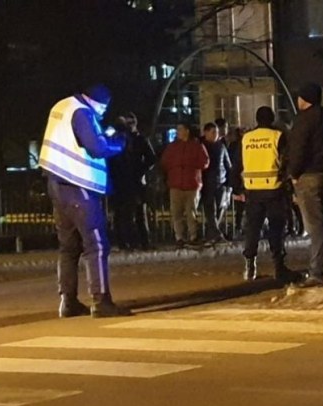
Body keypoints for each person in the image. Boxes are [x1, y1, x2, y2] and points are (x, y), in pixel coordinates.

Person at [40, 84, 131, 318]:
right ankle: (101, 301)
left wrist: (105, 132)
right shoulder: (82, 112)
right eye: (103, 108)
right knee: (96, 244)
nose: (102, 112)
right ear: (96, 102)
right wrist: (120, 143)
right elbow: (97, 148)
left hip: (57, 184)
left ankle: (67, 302)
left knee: (68, 247)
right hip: (78, 186)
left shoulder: (63, 105)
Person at [232, 106, 298, 282]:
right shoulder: (277, 136)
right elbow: (286, 161)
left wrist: (235, 187)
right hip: (274, 189)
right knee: (276, 228)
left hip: (253, 190)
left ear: (256, 119)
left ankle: (249, 268)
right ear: (272, 119)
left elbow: (238, 163)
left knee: (253, 229)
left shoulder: (246, 138)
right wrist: (289, 183)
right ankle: (278, 266)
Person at [288, 83, 323, 286]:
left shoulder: (303, 120)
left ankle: (316, 271)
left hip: (308, 176)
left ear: (305, 98)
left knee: (314, 225)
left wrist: (294, 173)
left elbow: (298, 148)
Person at [109, 112, 156, 250]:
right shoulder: (119, 139)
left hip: (134, 181)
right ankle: (124, 242)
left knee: (138, 212)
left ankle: (142, 241)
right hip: (121, 181)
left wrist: (139, 170)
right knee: (121, 213)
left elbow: (151, 158)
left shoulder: (140, 139)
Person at [160, 122, 209, 248]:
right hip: (176, 183)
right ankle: (179, 237)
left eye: (180, 129)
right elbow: (164, 162)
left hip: (192, 183)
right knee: (177, 213)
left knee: (191, 211)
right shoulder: (172, 147)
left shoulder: (196, 145)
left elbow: (205, 162)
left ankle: (193, 236)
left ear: (187, 131)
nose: (178, 132)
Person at [200, 122, 233, 245]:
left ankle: (212, 235)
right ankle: (216, 234)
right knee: (210, 210)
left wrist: (229, 183)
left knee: (220, 208)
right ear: (206, 133)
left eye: (217, 132)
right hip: (206, 184)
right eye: (213, 132)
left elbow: (227, 165)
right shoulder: (201, 146)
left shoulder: (221, 147)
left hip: (221, 183)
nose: (216, 135)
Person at [228, 126, 247, 238]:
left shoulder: (236, 145)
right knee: (240, 208)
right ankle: (240, 227)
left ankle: (241, 227)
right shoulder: (236, 146)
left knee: (244, 207)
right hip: (242, 180)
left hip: (245, 180)